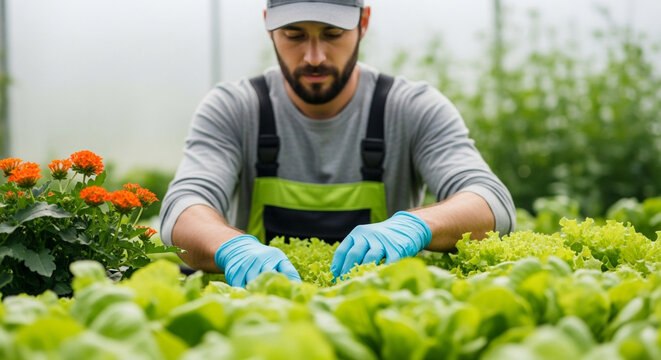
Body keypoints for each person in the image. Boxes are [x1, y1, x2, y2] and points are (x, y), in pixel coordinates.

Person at [159, 0, 516, 287]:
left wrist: (415, 225)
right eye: (294, 35)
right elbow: (184, 207)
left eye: (332, 33)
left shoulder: (412, 108)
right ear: (268, 26)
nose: (314, 56)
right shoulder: (236, 108)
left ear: (363, 23)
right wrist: (229, 247)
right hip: (261, 322)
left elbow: (491, 203)